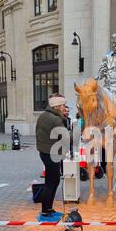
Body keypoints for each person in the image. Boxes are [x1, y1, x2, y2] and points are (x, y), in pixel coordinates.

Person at [36, 94, 68, 222]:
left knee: (51, 181)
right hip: (52, 154)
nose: (65, 108)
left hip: (44, 152)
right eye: (63, 105)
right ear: (58, 106)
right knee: (52, 182)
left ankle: (48, 209)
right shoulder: (55, 119)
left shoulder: (43, 115)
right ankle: (45, 212)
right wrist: (79, 130)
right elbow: (65, 137)